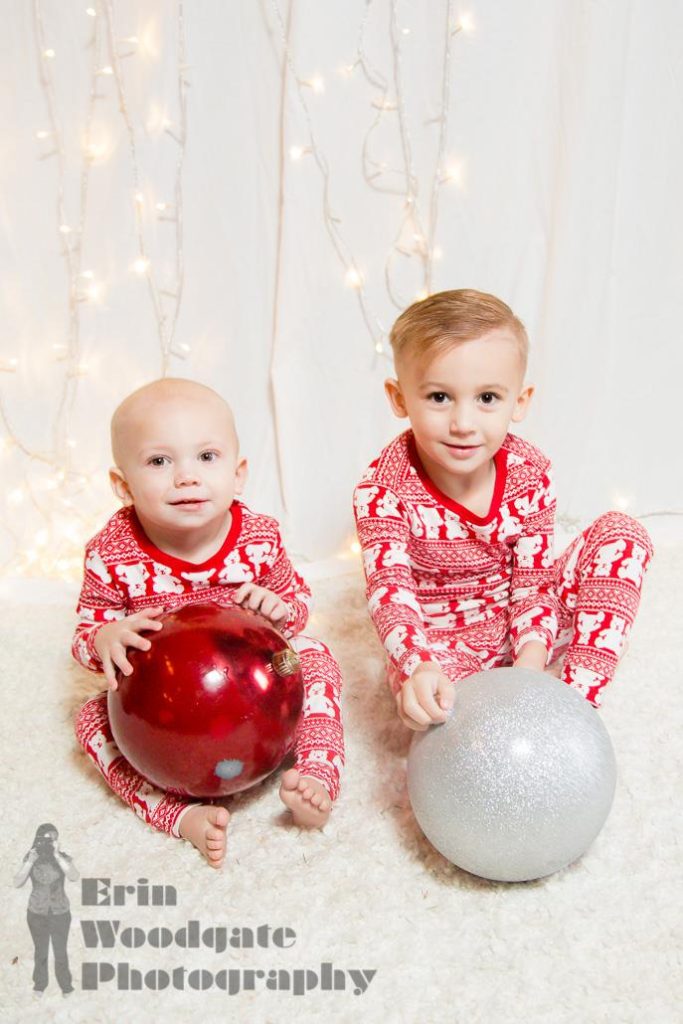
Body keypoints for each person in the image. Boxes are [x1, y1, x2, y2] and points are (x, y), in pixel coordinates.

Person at [72, 378, 343, 867]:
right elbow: (87, 636)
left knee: (314, 656)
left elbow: (298, 602)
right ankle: (177, 814)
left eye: (206, 457)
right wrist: (105, 637)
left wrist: (280, 610)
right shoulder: (110, 554)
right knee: (90, 719)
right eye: (159, 461)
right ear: (122, 486)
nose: (186, 477)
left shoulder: (258, 537)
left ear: (238, 475)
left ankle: (316, 775)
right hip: (164, 707)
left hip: (258, 683)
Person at [353, 289, 653, 730]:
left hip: (525, 623)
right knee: (446, 717)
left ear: (520, 401)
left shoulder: (530, 474)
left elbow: (534, 585)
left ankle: (575, 705)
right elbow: (390, 593)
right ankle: (449, 699)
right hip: (440, 647)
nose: (463, 423)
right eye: (439, 397)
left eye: (488, 398)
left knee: (622, 533)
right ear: (399, 399)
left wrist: (530, 665)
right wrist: (418, 665)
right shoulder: (382, 490)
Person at [14, 824, 78, 997]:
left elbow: (74, 876)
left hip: (60, 912)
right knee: (40, 951)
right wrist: (30, 861)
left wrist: (57, 855)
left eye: (54, 839)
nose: (50, 842)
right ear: (38, 839)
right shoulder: (31, 857)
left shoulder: (62, 857)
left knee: (60, 952)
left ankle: (66, 986)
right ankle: (40, 985)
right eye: (47, 839)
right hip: (36, 913)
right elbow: (17, 882)